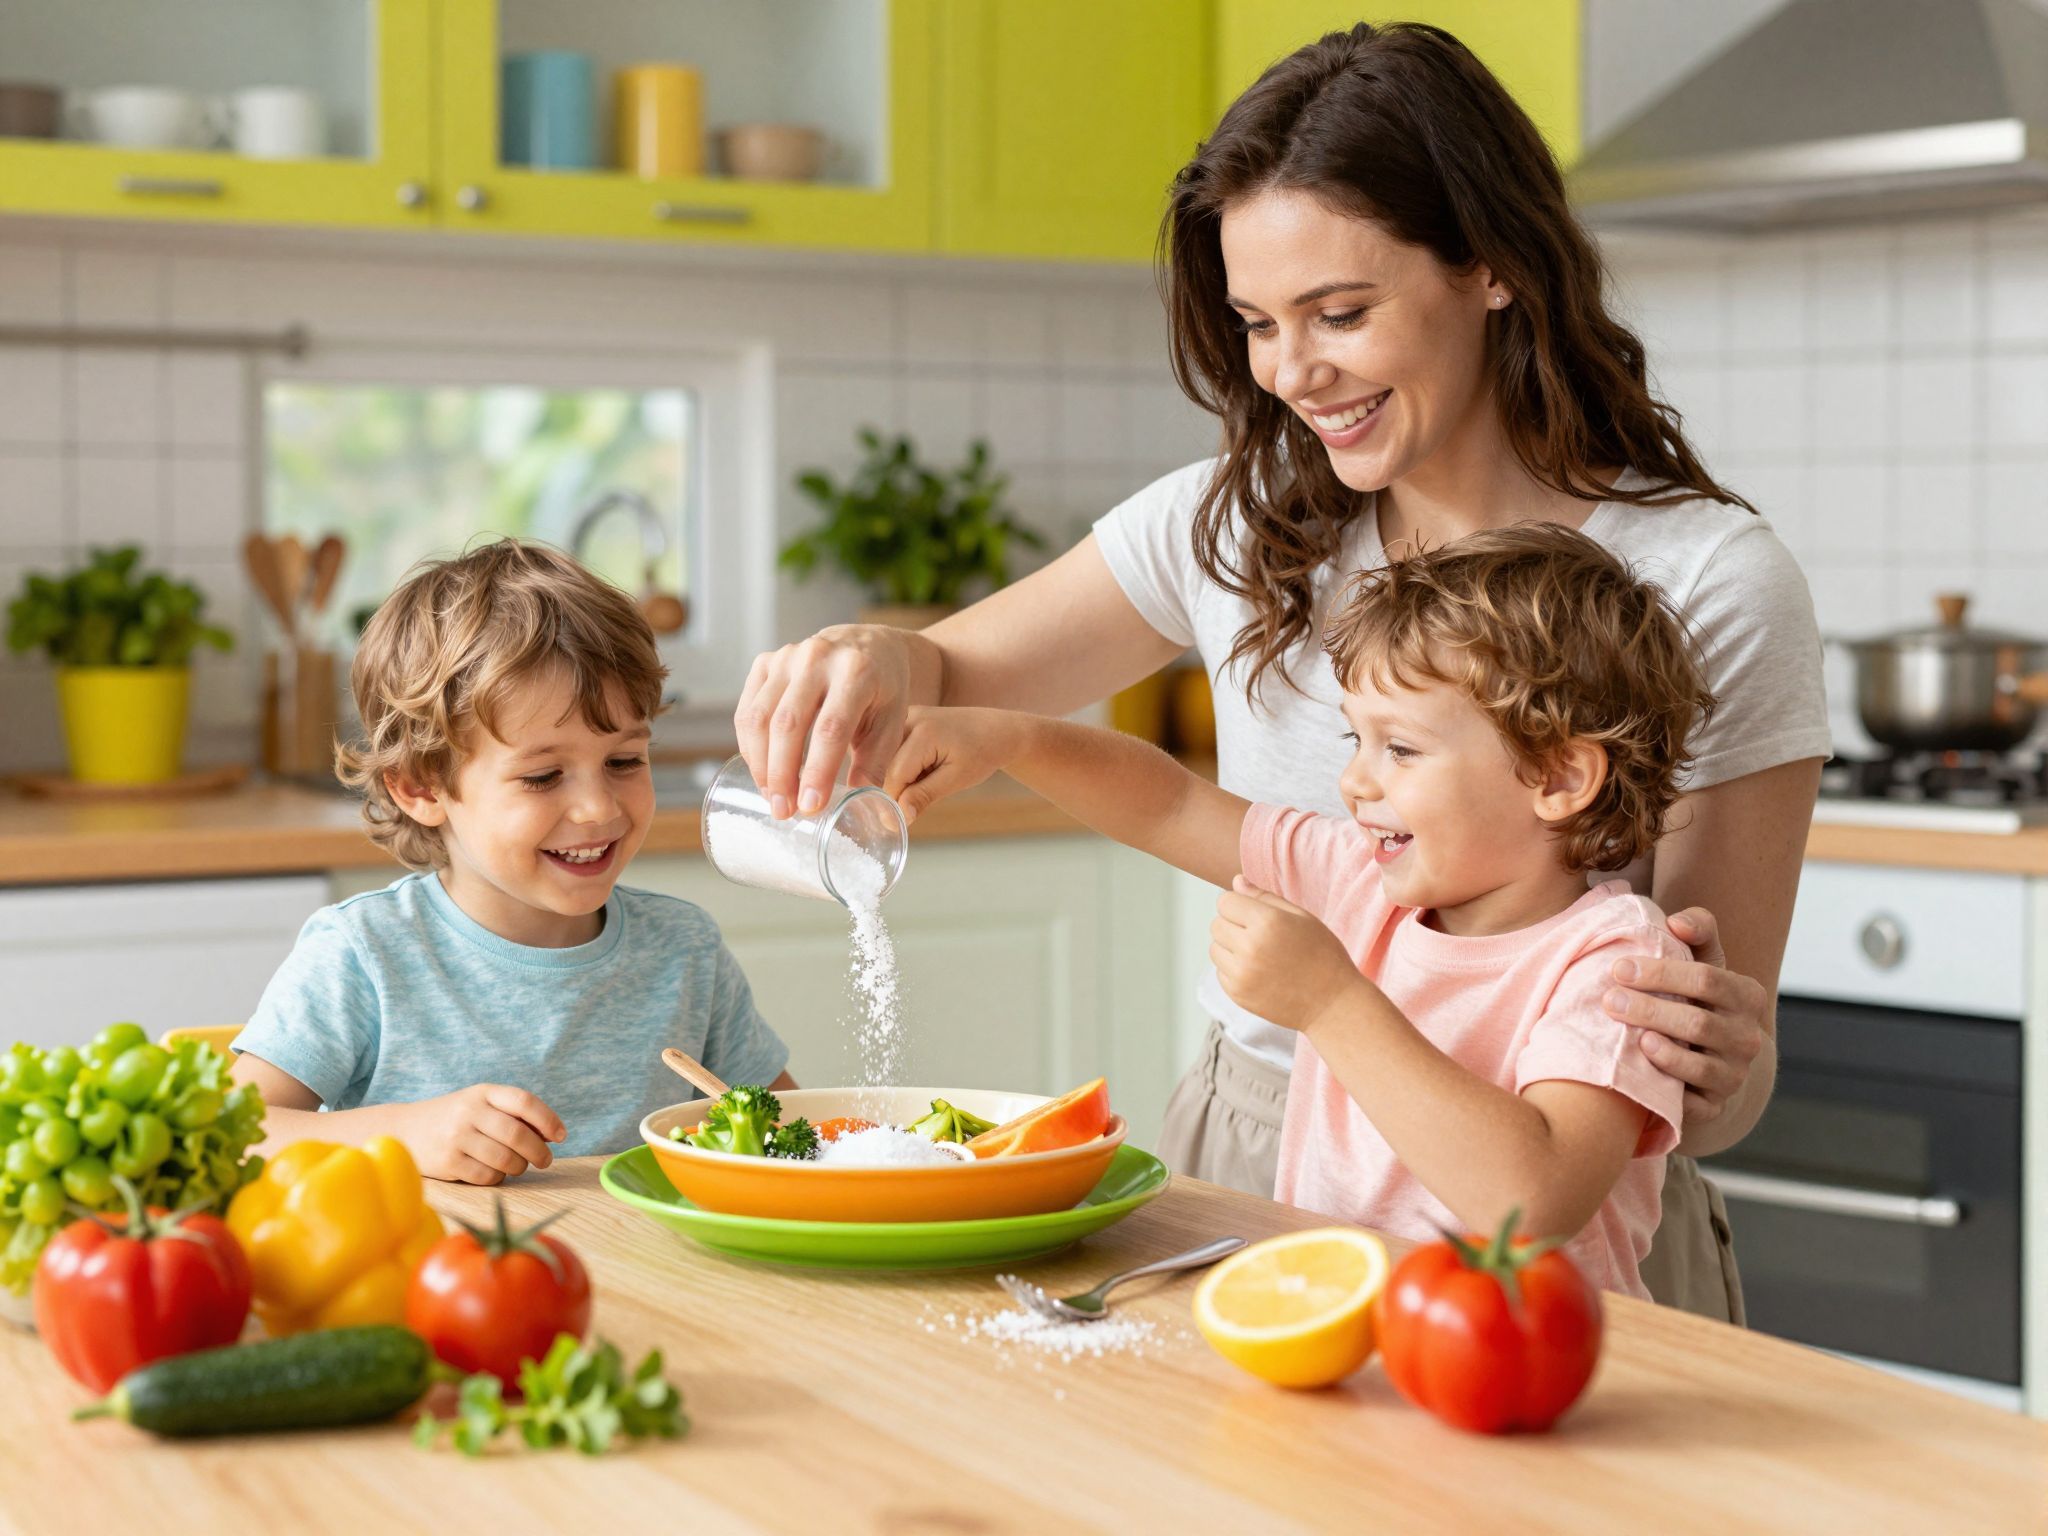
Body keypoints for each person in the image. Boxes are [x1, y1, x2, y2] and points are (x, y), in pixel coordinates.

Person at [735, 23, 1827, 1319]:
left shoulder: (1707, 581)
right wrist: (881, 657)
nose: (1291, 372)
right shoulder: (1235, 519)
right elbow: (956, 683)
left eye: (1341, 313)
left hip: (1555, 1226)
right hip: (1269, 1155)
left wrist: (1722, 1065)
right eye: (1258, 323)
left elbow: (1707, 1070)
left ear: (1490, 265)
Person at [884, 526, 1707, 1296]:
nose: (1355, 781)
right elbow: (1171, 805)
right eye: (1357, 740)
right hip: (1331, 1323)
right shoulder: (1359, 880)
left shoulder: (1615, 959)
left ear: (1559, 778)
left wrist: (1329, 1002)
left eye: (1401, 748)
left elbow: (1534, 1202)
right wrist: (1014, 741)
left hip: (1522, 1365)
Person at [233, 539, 792, 1183]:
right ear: (421, 788)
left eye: (623, 761)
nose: (597, 808)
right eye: (543, 776)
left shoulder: (684, 951)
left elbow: (787, 1138)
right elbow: (235, 1133)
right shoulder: (364, 954)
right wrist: (400, 1134)